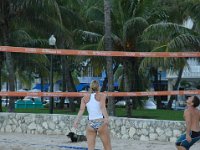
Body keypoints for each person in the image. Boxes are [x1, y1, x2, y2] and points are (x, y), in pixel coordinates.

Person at [73, 80, 112, 150]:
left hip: (90, 124)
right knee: (107, 147)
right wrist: (106, 118)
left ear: (90, 87)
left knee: (90, 148)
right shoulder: (102, 95)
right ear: (98, 87)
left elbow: (81, 110)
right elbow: (103, 107)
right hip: (101, 123)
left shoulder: (84, 98)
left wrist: (76, 121)